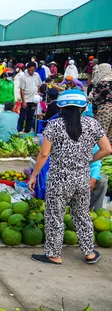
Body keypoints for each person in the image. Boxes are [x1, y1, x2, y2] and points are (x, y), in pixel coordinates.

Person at [28, 90, 112, 265]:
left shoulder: (54, 125)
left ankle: (54, 254)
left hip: (59, 179)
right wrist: (89, 159)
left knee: (55, 215)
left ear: (61, 107)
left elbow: (44, 154)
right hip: (82, 178)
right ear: (83, 107)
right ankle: (89, 252)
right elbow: (107, 149)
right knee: (82, 215)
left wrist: (34, 175)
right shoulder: (93, 124)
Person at [89, 63, 112, 139]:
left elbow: (94, 99)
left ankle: (103, 149)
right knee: (110, 133)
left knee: (101, 133)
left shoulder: (100, 84)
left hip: (105, 109)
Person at [19, 63, 42, 133]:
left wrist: (37, 95)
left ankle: (27, 131)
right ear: (27, 69)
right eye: (30, 70)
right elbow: (22, 90)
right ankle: (19, 130)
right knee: (22, 116)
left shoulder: (37, 75)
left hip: (34, 100)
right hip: (26, 99)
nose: (31, 72)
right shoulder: (23, 77)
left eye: (32, 70)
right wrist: (23, 101)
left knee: (30, 116)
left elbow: (38, 86)